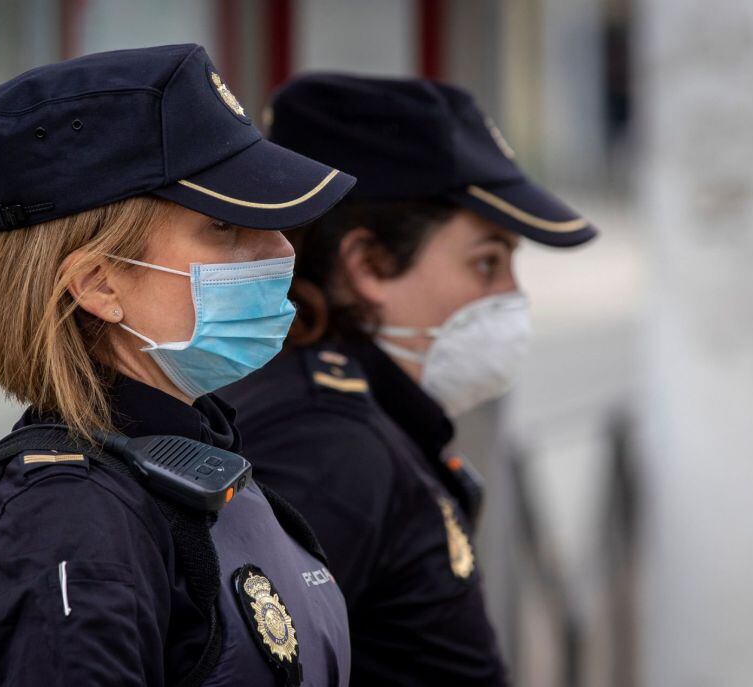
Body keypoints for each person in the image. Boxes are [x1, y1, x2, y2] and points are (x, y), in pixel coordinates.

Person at [0, 45, 358, 686]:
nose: (280, 248)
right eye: (224, 227)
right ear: (99, 284)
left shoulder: (186, 459)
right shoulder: (69, 518)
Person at [221, 75, 598, 686]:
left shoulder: (359, 421)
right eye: (486, 262)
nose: (511, 296)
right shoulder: (327, 448)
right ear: (368, 264)